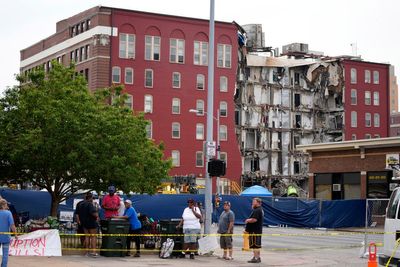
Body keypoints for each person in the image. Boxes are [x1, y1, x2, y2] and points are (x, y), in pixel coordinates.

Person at [77, 192, 99, 257]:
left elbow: (77, 214)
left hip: (84, 223)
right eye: (92, 198)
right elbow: (94, 213)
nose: (93, 199)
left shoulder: (81, 204)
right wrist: (96, 210)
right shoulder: (90, 204)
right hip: (91, 222)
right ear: (90, 198)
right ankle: (94, 252)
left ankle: (86, 252)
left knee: (87, 237)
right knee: (93, 237)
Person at [245, 197, 264, 263]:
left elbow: (254, 219)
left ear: (258, 202)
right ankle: (257, 257)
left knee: (255, 245)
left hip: (255, 231)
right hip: (257, 230)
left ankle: (256, 258)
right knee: (256, 245)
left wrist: (248, 220)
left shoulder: (257, 210)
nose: (252, 202)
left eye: (254, 201)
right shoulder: (258, 209)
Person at [0, 198, 17, 267]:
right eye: (6, 204)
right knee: (5, 254)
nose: (7, 205)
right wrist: (15, 234)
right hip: (5, 237)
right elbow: (12, 225)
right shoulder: (8, 213)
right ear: (4, 205)